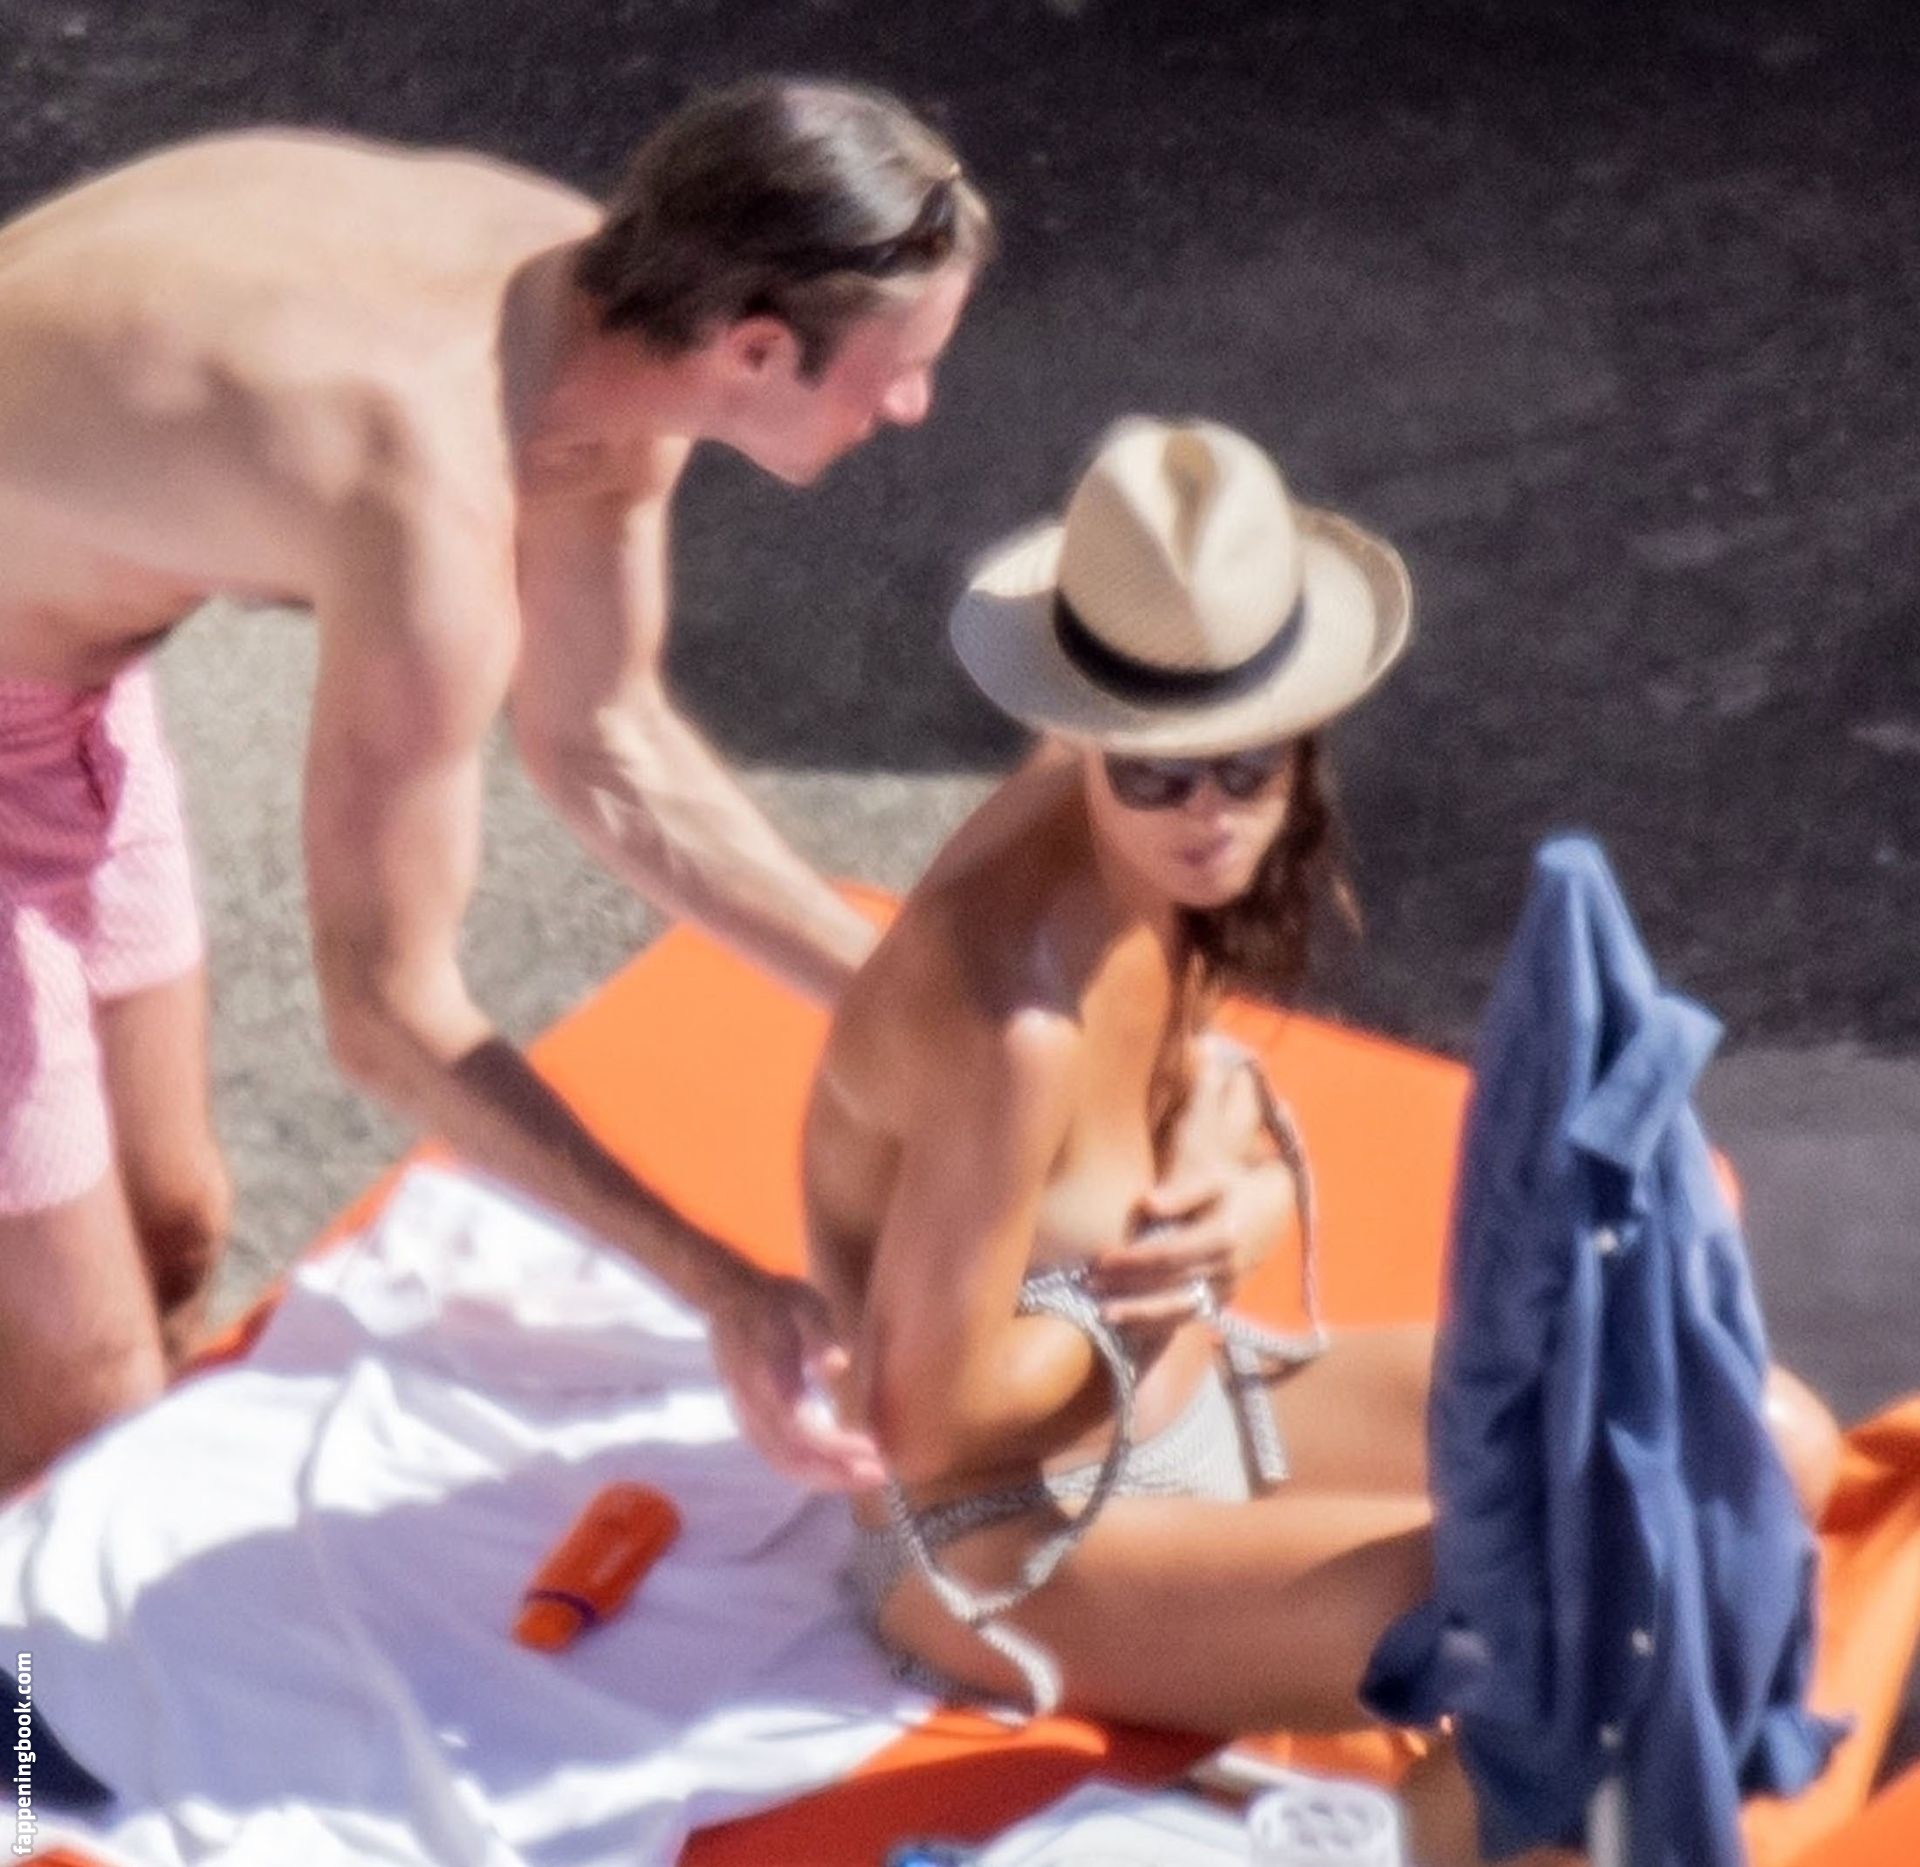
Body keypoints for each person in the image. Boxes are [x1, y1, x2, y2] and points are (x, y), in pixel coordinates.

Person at [800, 417, 1842, 1864]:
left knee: (1752, 1451)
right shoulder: (1011, 1025)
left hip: (1205, 1397)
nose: (1207, 814)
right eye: (1156, 775)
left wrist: (1235, 1187)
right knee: (1570, 1628)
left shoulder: (1161, 861)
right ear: (1088, 742)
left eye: (1245, 763)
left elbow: (1185, 1094)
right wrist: (1143, 1298)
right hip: (1001, 1536)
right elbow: (919, 1420)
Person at [0, 78, 991, 1496]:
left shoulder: (597, 297)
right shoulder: (425, 489)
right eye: (900, 369)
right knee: (85, 1394)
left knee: (174, 1227)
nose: (915, 406)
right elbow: (385, 1017)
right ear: (759, 349)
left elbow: (606, 746)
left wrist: (932, 1020)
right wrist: (719, 1286)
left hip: (57, 680)